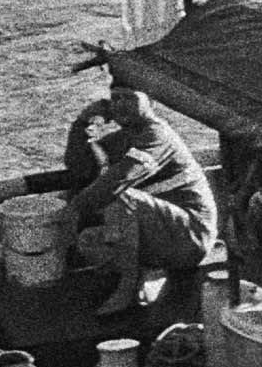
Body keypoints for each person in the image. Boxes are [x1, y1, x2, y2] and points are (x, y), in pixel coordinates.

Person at [67, 73, 220, 316]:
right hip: (163, 230)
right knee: (88, 240)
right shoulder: (125, 137)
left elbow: (120, 179)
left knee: (119, 196)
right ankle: (145, 275)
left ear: (150, 101)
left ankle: (128, 288)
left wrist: (73, 210)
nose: (121, 104)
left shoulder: (157, 135)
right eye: (115, 99)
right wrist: (83, 122)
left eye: (130, 97)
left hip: (190, 235)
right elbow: (79, 167)